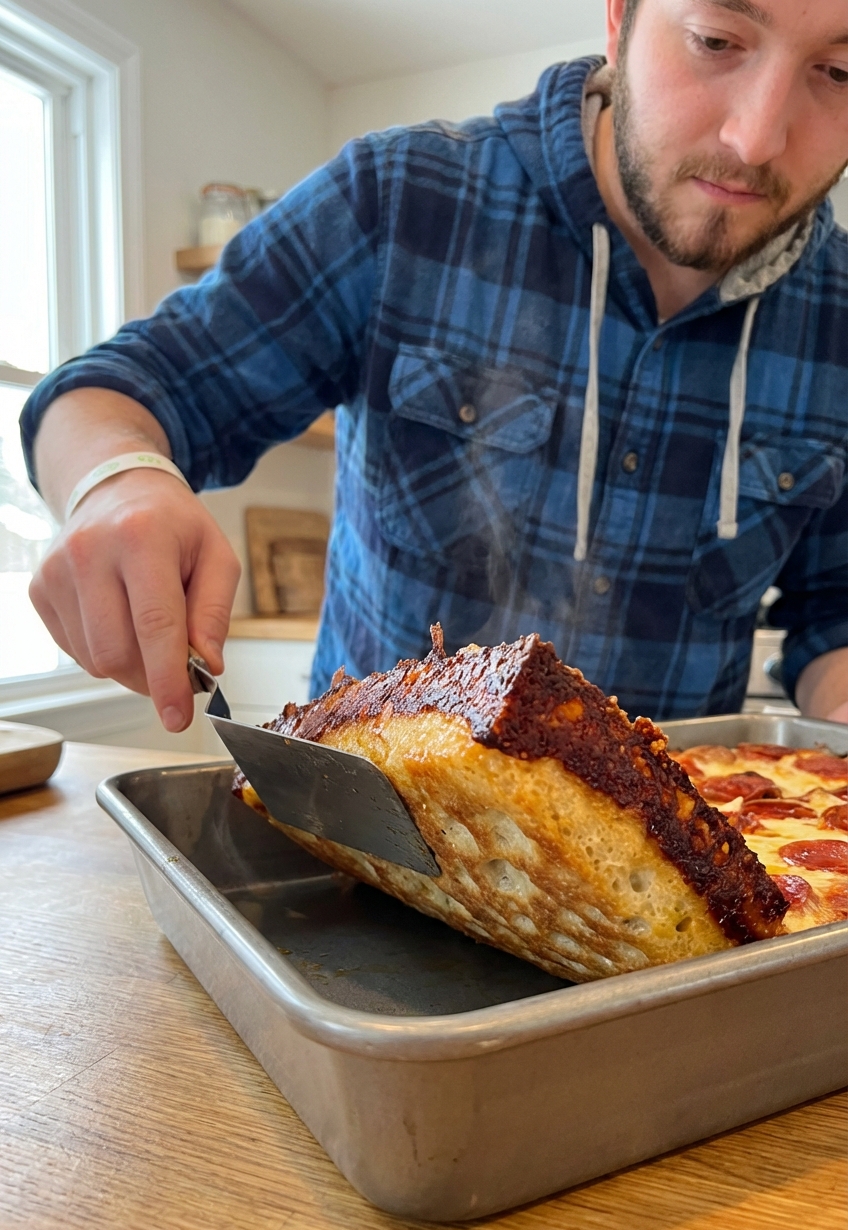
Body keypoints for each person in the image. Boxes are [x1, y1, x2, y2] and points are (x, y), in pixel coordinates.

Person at [20, 0, 848, 732]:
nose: (757, 136)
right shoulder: (400, 197)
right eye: (714, 40)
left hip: (673, 881)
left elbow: (834, 618)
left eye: (839, 72)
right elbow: (118, 390)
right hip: (371, 841)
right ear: (620, 16)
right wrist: (115, 483)